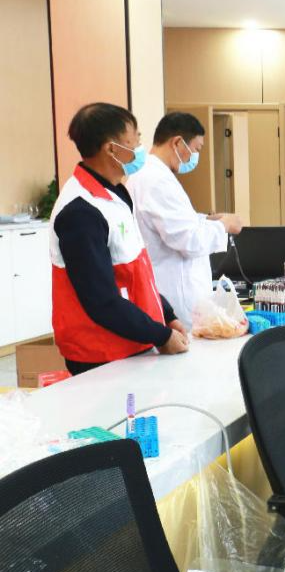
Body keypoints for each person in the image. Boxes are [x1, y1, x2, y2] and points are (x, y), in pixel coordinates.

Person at [50, 103, 189, 376]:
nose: (139, 146)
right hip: (100, 352)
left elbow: (135, 275)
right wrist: (160, 336)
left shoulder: (115, 194)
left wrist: (166, 315)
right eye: (134, 139)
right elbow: (101, 300)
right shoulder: (80, 212)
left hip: (132, 341)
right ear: (111, 149)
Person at [127, 112, 244, 325]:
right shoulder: (157, 181)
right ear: (178, 143)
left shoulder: (150, 175)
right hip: (176, 296)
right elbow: (188, 240)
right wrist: (223, 225)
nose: (194, 157)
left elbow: (176, 222)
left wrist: (207, 219)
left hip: (169, 290)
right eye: (196, 149)